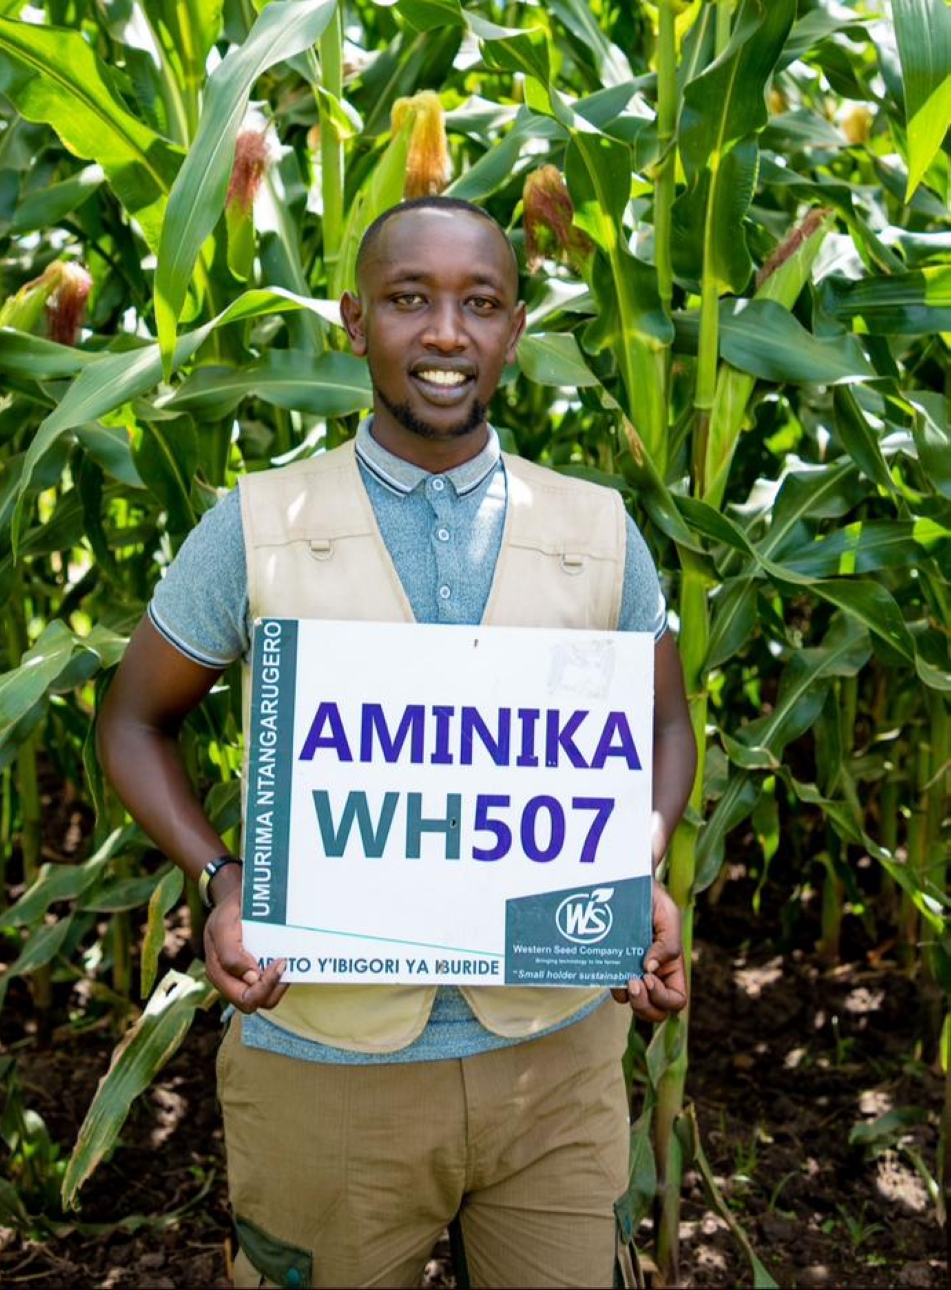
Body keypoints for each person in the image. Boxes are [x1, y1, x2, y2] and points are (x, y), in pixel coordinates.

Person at [97, 196, 697, 1290]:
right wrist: (221, 877)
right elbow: (133, 718)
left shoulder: (600, 529)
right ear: (352, 318)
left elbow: (662, 725)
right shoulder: (256, 525)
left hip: (552, 1064)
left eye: (479, 303)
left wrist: (635, 865)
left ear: (515, 330)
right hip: (326, 1066)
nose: (444, 333)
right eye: (408, 299)